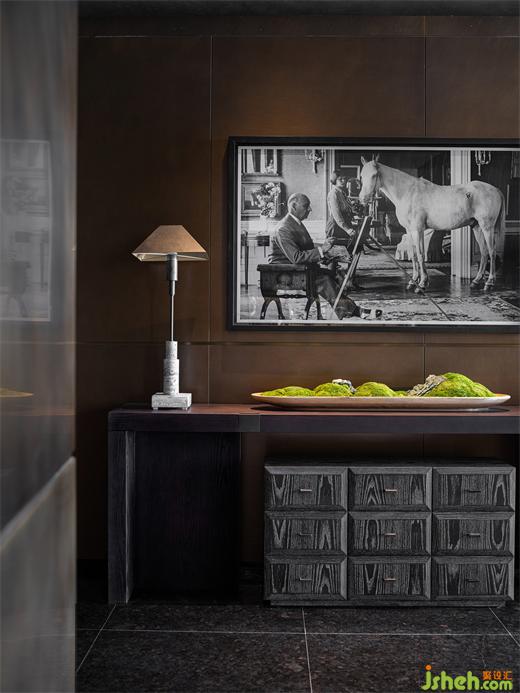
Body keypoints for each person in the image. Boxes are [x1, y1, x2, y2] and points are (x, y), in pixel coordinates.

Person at [269, 192, 361, 319]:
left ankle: (347, 310)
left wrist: (331, 253)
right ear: (294, 207)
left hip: (296, 268)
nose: (310, 209)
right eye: (306, 206)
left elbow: (308, 248)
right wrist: (322, 250)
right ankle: (351, 311)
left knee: (335, 275)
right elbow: (296, 257)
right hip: (285, 273)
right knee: (324, 280)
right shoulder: (283, 228)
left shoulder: (294, 223)